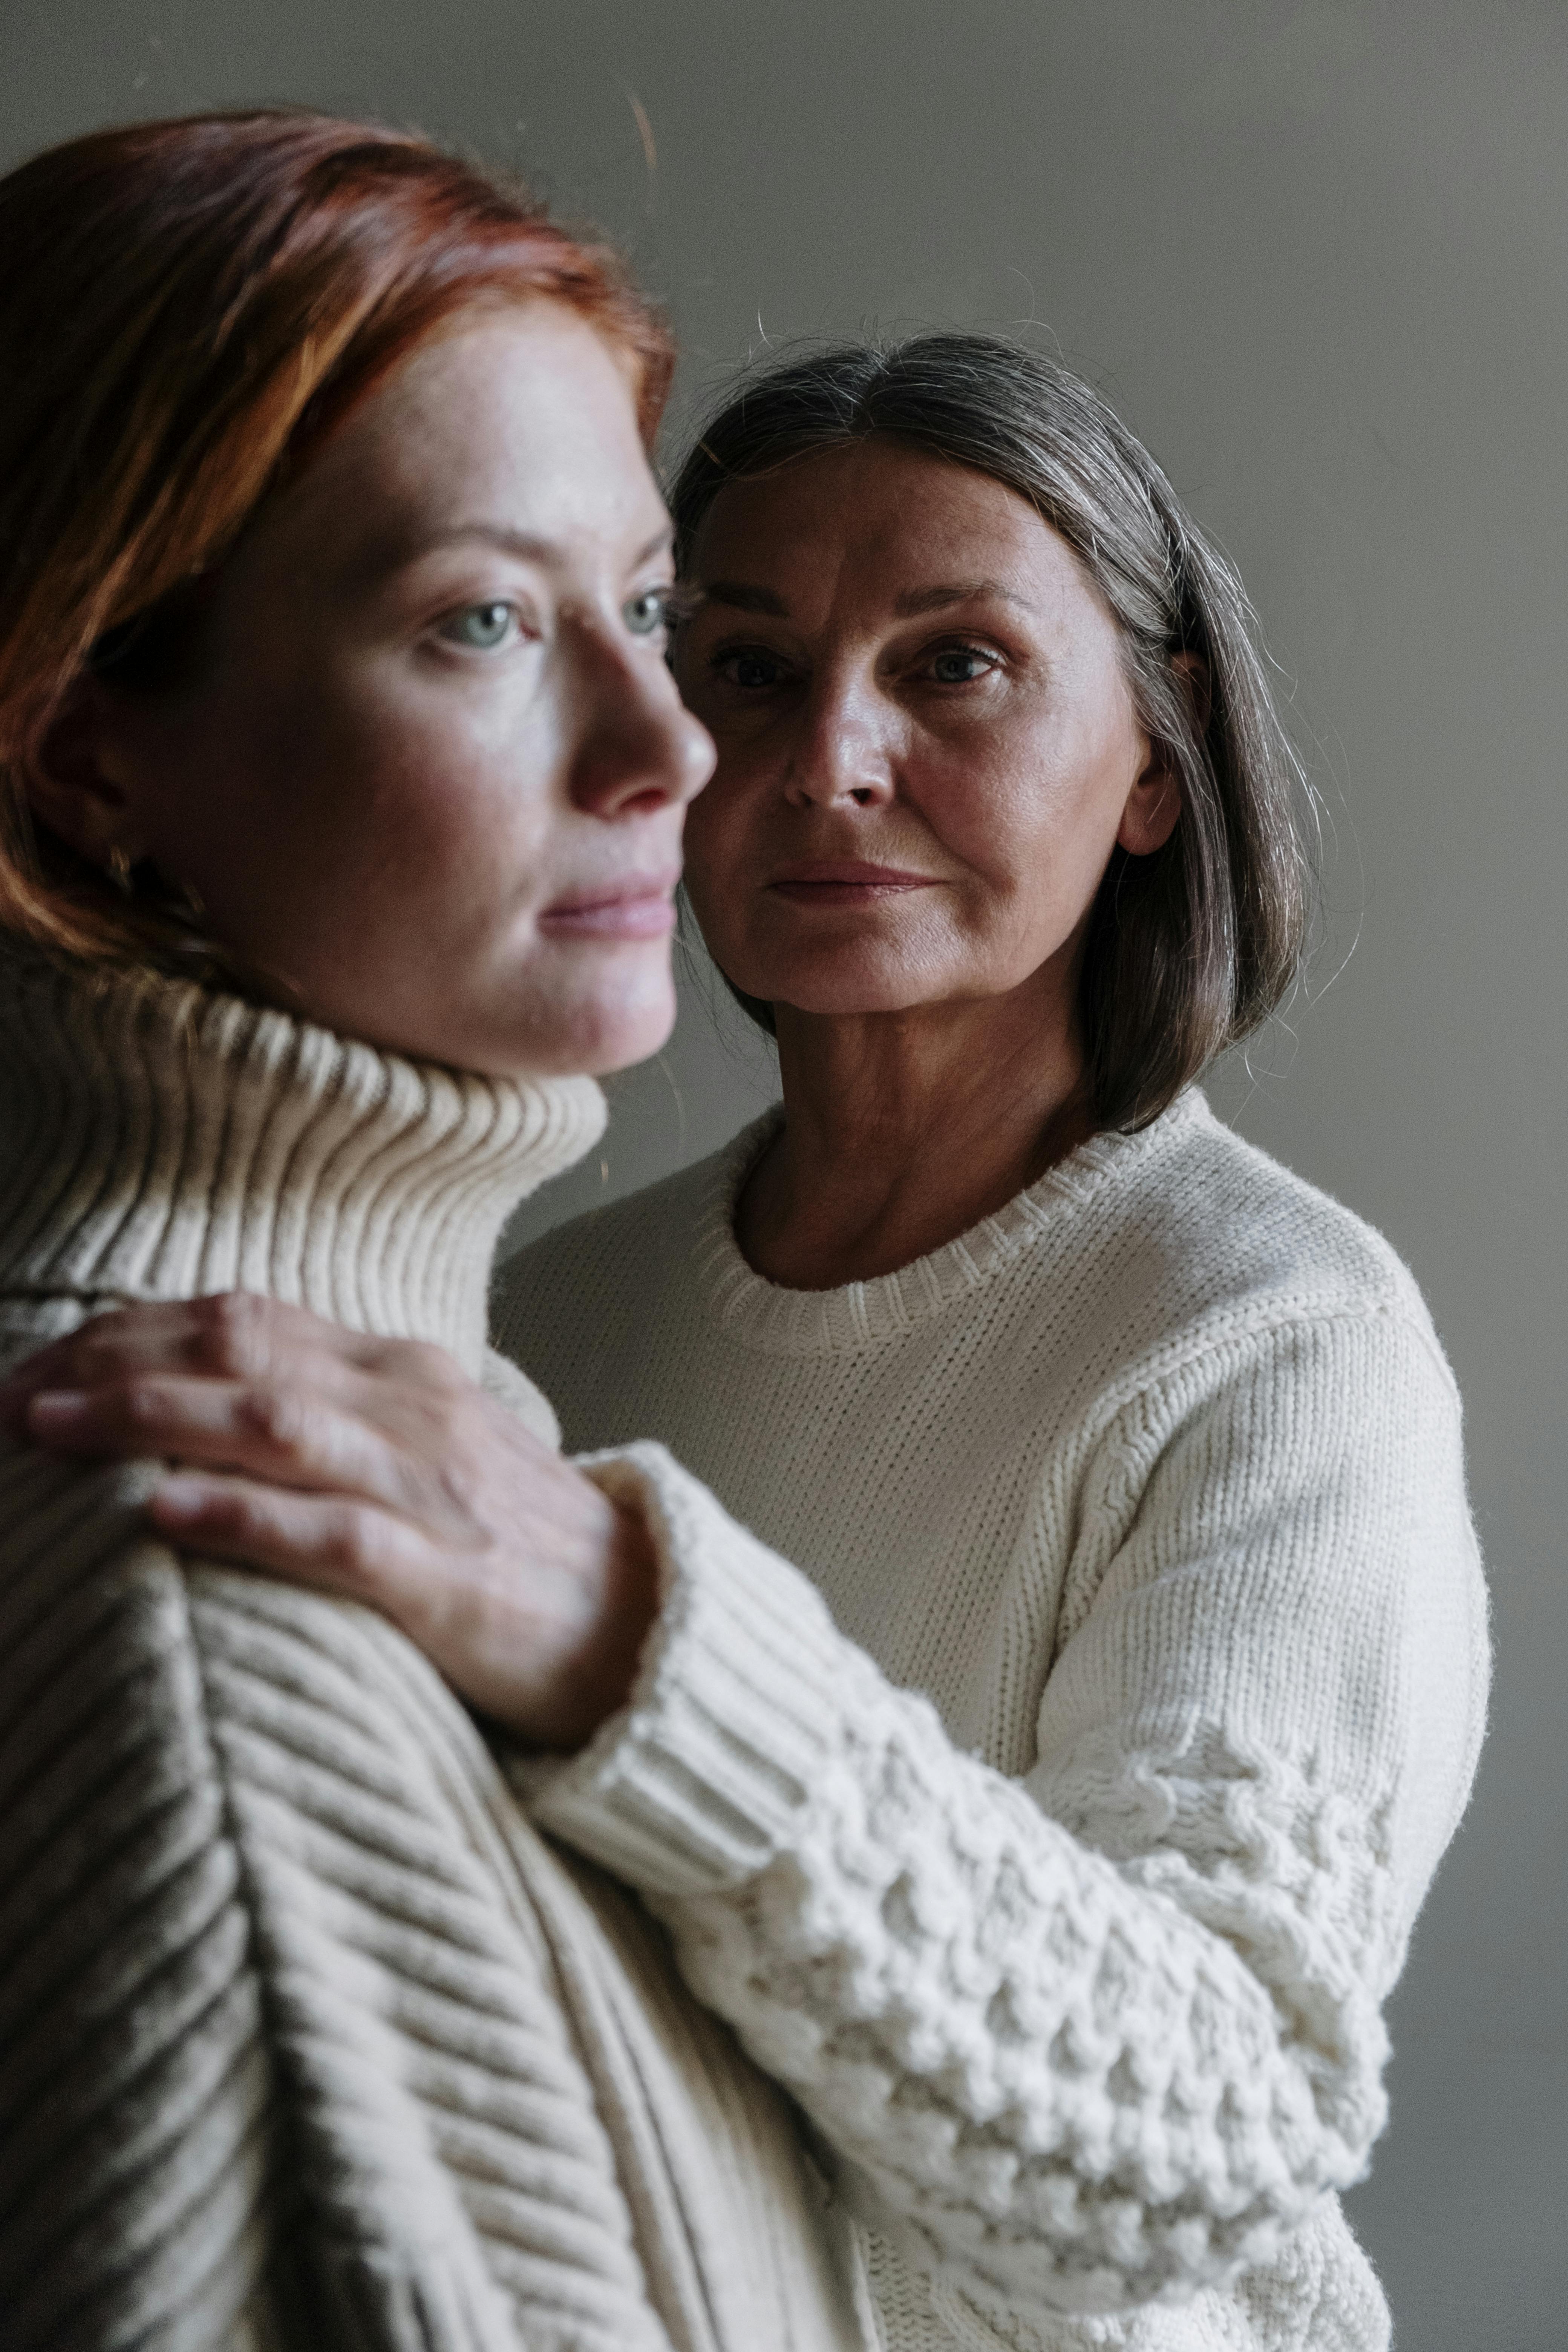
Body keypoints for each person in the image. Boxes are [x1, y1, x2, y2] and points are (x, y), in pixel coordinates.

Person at [5, 325, 1489, 2352]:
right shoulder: (541, 1310)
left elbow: (1218, 2132)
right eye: (747, 666)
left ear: (1157, 759)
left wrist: (640, 1630)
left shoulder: (1277, 1338)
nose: (824, 762)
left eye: (955, 662)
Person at [0, 110, 862, 2352]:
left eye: (648, 606)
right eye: (480, 619)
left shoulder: (399, 1446)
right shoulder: (197, 1563)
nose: (669, 738)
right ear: (87, 750)